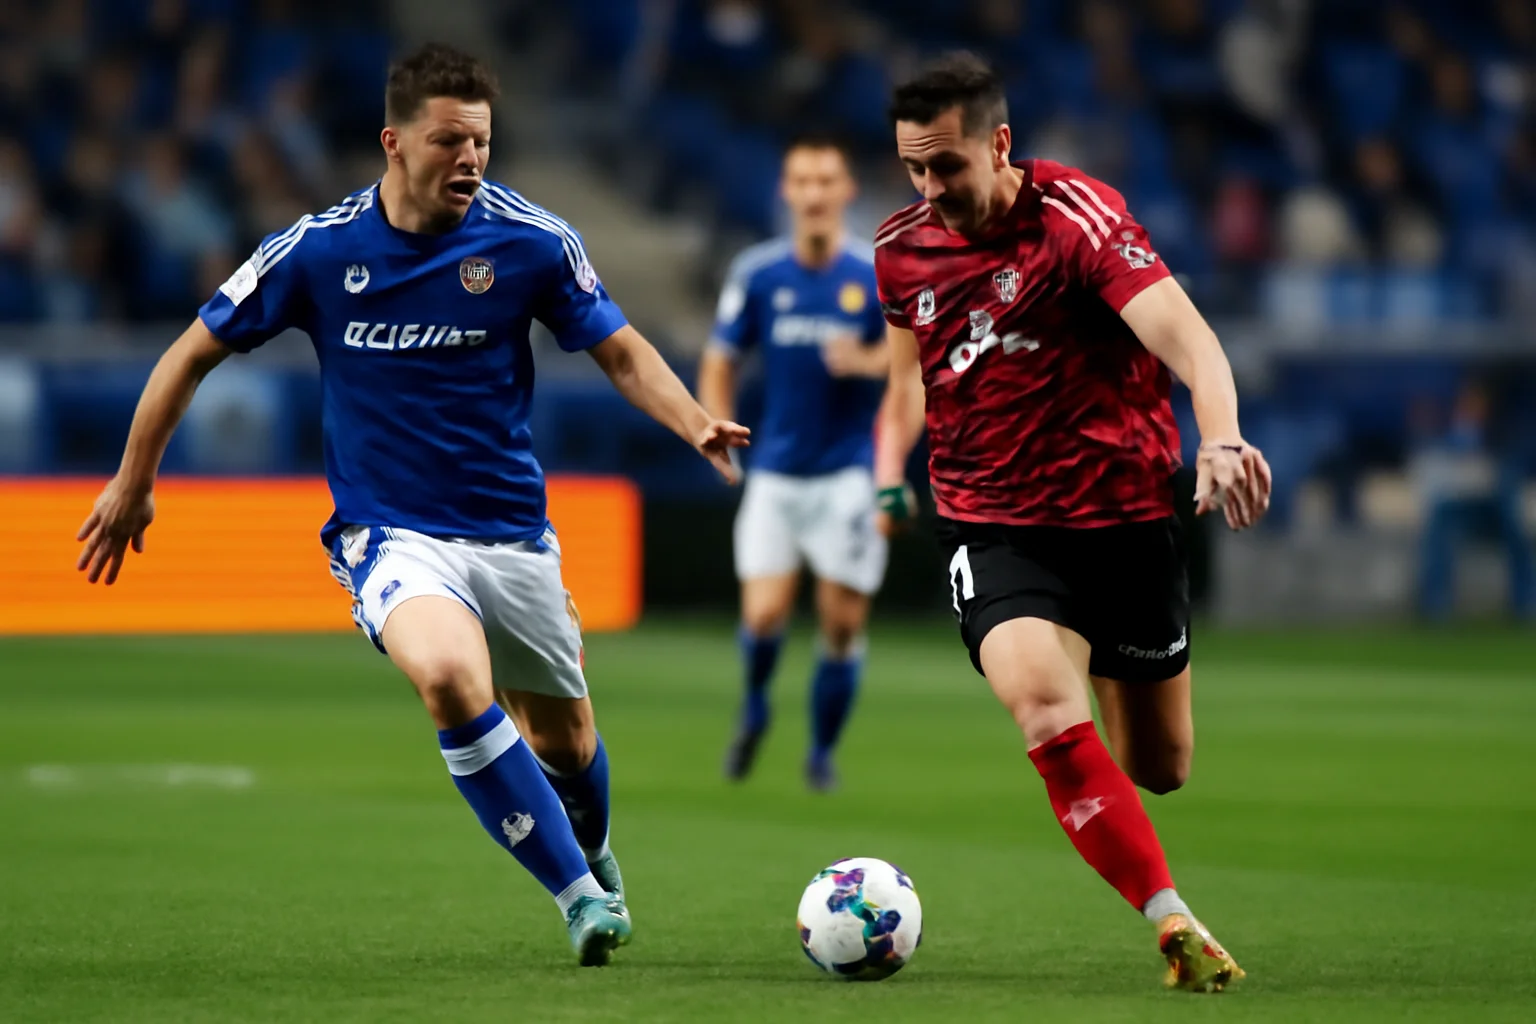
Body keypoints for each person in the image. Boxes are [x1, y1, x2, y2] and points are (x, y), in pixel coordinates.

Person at [74, 43, 749, 967]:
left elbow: (621, 350)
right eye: (449, 142)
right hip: (390, 532)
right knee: (448, 678)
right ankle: (580, 897)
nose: (470, 159)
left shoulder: (533, 241)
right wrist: (133, 481)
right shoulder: (319, 249)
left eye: (481, 142)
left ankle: (590, 850)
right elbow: (190, 352)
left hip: (513, 535)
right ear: (394, 142)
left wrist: (693, 420)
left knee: (567, 739)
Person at [871, 53, 1271, 993]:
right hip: (992, 524)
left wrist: (1220, 439)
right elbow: (905, 383)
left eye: (946, 166)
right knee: (1046, 707)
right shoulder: (900, 249)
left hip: (1123, 517)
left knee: (1159, 766)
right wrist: (887, 471)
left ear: (998, 145)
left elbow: (1191, 341)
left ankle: (1098, 674)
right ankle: (1173, 921)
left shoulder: (1077, 219)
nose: (929, 190)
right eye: (913, 169)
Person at [697, 135, 889, 791]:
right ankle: (755, 706)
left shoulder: (874, 274)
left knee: (841, 624)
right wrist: (713, 423)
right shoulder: (758, 273)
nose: (813, 193)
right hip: (776, 473)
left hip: (849, 475)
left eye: (825, 181)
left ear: (846, 191)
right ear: (786, 191)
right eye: (802, 181)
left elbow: (912, 359)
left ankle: (821, 753)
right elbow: (720, 357)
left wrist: (867, 360)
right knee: (762, 616)